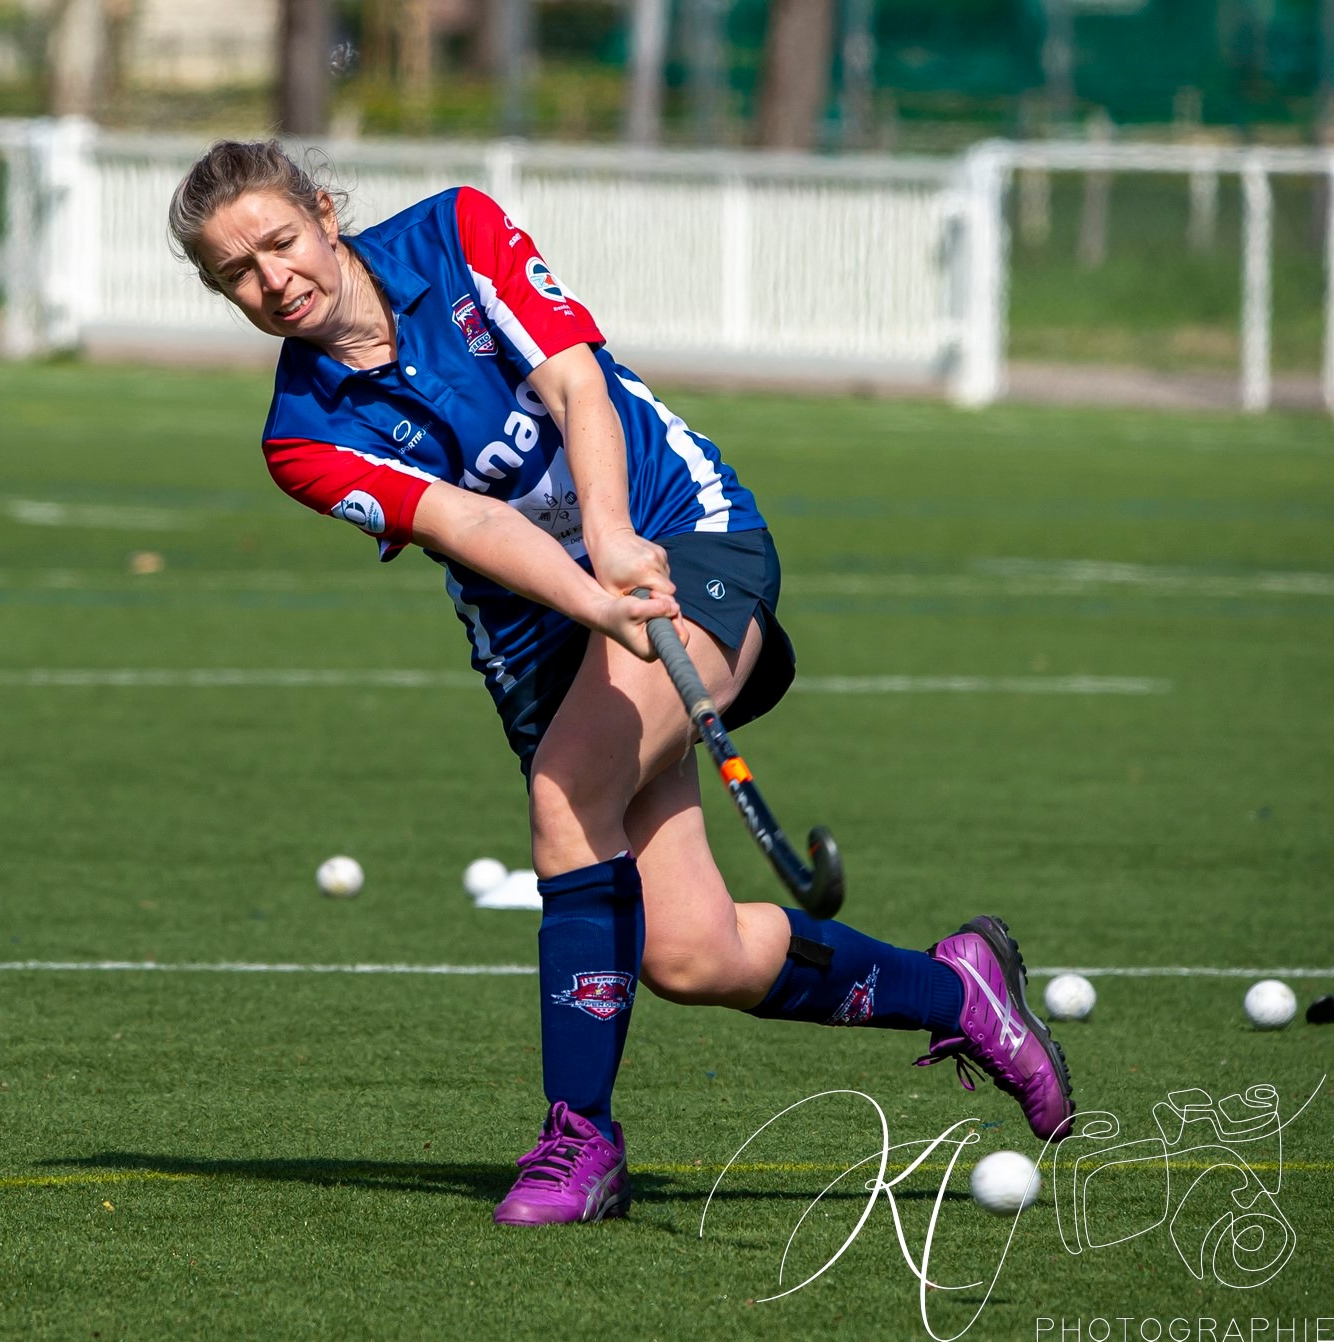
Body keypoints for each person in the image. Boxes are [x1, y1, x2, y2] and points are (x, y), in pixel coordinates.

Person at [167, 141, 1075, 1226]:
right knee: (693, 953)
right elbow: (469, 522)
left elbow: (575, 381)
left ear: (324, 213)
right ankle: (960, 990)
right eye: (237, 273)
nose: (273, 279)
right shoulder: (302, 437)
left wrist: (609, 535)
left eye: (280, 242)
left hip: (680, 532)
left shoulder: (455, 232)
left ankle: (580, 1140)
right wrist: (590, 600)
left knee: (568, 798)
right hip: (541, 631)